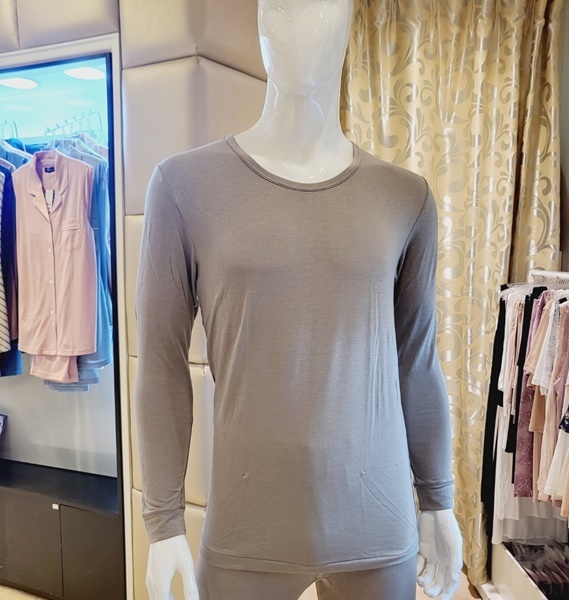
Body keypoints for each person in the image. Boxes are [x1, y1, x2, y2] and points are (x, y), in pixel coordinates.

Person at [135, 1, 463, 599]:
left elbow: (416, 362)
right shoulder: (184, 187)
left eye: (321, 7)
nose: (299, 26)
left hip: (379, 526)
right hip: (247, 530)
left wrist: (437, 500)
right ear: (260, 20)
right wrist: (163, 522)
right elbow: (160, 365)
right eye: (282, 6)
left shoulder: (405, 198)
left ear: (348, 23)